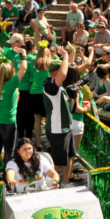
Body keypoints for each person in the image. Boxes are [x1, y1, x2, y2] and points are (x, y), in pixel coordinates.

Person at [0, 51, 28, 179]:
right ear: (11, 73)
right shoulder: (12, 84)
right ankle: (8, 177)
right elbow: (24, 68)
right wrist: (24, 54)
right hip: (8, 123)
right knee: (9, 151)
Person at [43, 46, 79, 185]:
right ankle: (55, 185)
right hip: (57, 130)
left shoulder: (60, 87)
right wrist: (64, 55)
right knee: (58, 161)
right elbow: (63, 74)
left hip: (65, 128)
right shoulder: (50, 86)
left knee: (69, 156)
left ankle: (65, 181)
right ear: (56, 72)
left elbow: (69, 108)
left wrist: (74, 96)